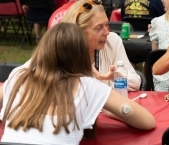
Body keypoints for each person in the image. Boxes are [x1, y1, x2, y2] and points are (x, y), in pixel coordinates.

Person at [0, 22, 156, 144]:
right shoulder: (88, 86)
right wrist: (112, 110)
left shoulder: (18, 77)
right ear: (81, 53)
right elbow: (147, 121)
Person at [61, 0, 141, 91]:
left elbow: (136, 83)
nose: (107, 32)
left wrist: (116, 77)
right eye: (98, 28)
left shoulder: (112, 40)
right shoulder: (64, 52)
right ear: (79, 32)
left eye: (106, 25)